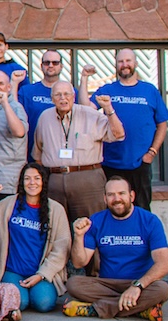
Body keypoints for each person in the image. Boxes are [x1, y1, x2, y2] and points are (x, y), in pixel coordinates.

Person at [64, 177, 168, 321]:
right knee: (73, 284)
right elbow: (79, 263)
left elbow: (164, 264)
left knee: (162, 289)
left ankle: (96, 309)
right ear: (105, 198)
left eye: (121, 193)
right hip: (107, 284)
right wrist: (78, 236)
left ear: (131, 196)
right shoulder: (96, 220)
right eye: (111, 195)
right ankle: (140, 310)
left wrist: (137, 286)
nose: (117, 199)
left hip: (140, 284)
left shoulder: (149, 221)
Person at [79, 49, 168, 211]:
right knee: (112, 208)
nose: (125, 65)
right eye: (121, 61)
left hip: (140, 163)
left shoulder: (149, 90)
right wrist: (84, 78)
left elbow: (162, 125)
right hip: (111, 162)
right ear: (116, 65)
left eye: (128, 61)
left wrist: (152, 152)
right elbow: (86, 108)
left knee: (141, 208)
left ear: (135, 63)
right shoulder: (108, 90)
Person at [0, 164, 70, 313]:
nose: (32, 183)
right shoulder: (9, 204)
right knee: (19, 303)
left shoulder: (55, 209)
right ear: (21, 182)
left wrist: (41, 275)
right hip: (12, 270)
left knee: (44, 303)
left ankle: (35, 290)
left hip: (40, 272)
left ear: (44, 182)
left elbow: (62, 249)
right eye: (27, 178)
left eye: (36, 178)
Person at [32, 81, 124, 226]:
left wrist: (108, 109)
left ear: (73, 96)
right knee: (56, 228)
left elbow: (118, 134)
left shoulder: (90, 114)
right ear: (52, 98)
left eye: (67, 94)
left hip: (87, 180)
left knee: (91, 227)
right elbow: (38, 154)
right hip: (54, 181)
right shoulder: (44, 117)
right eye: (58, 95)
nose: (63, 98)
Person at [18, 50, 70, 151]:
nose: (50, 65)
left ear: (61, 66)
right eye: (47, 63)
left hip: (61, 153)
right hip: (31, 151)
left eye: (55, 63)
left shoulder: (71, 92)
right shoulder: (27, 91)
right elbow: (15, 114)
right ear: (41, 66)